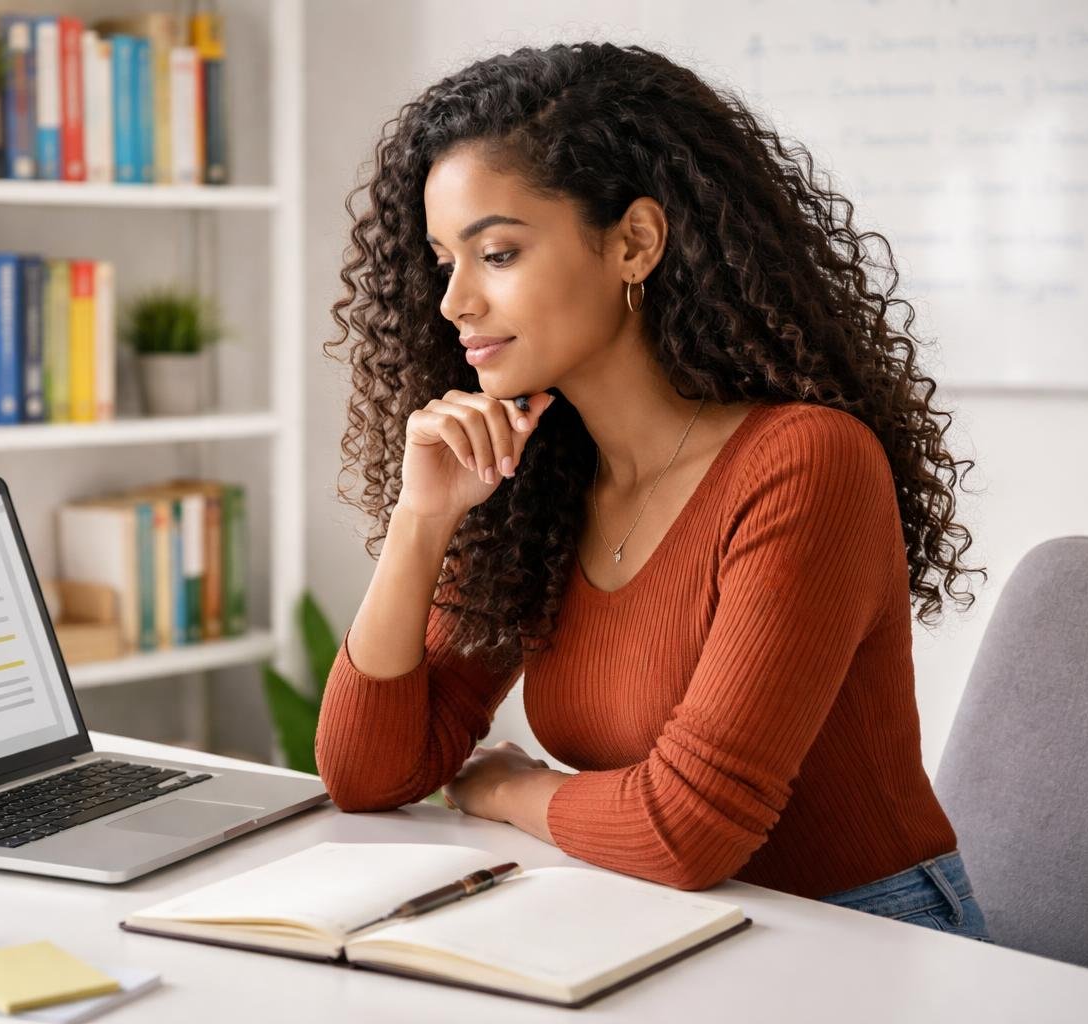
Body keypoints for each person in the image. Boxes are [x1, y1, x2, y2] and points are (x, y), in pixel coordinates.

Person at [315, 41, 994, 942]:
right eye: (446, 262)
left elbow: (687, 830)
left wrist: (508, 788)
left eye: (499, 253)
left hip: (863, 936)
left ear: (635, 242)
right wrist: (422, 519)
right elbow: (369, 773)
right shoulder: (543, 482)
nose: (454, 303)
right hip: (651, 920)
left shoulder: (808, 463)